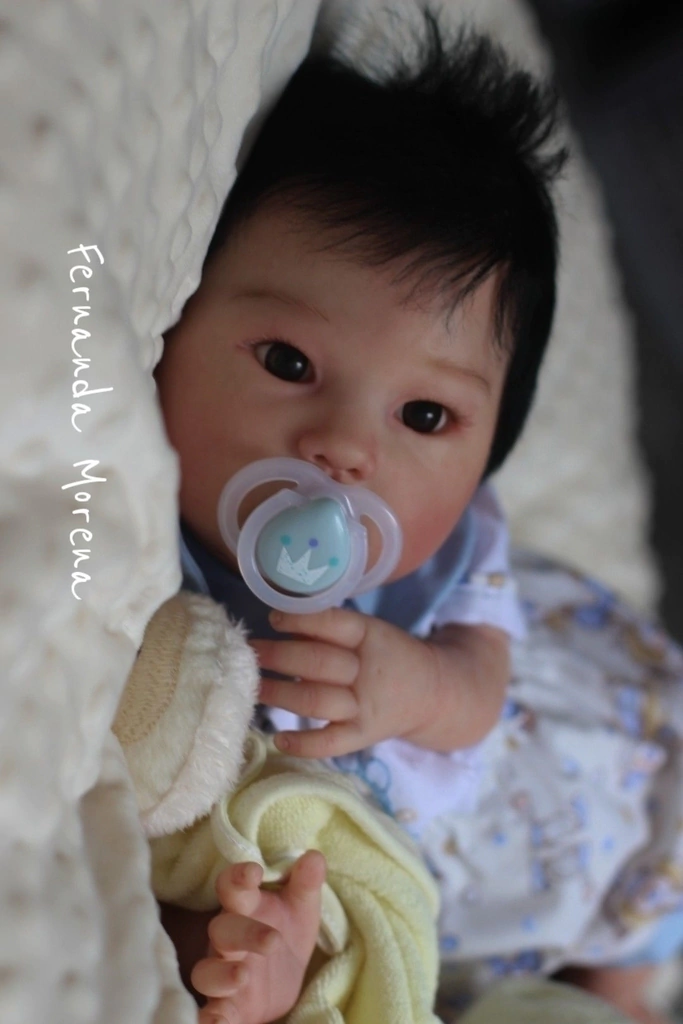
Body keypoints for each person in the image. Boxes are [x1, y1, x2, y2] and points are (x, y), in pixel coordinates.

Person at [154, 11, 683, 1024]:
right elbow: (187, 841)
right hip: (448, 910)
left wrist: (418, 683)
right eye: (288, 362)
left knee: (650, 879)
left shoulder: (446, 560)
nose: (345, 449)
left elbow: (480, 687)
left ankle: (620, 976)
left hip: (589, 777)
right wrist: (241, 951)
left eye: (426, 416)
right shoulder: (138, 573)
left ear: (486, 454)